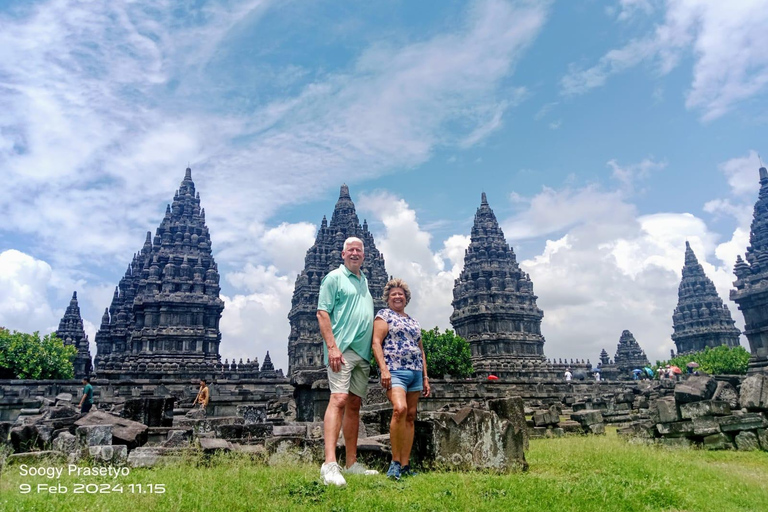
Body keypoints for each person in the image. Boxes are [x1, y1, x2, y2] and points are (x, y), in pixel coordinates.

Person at [317, 237, 378, 487]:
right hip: (341, 350)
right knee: (339, 399)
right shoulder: (333, 278)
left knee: (354, 405)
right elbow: (322, 312)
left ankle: (352, 464)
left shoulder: (365, 282)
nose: (355, 253)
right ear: (343, 254)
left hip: (362, 354)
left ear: (364, 255)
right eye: (351, 250)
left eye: (359, 251)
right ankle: (330, 464)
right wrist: (332, 347)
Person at [372, 278, 431, 481]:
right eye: (393, 294)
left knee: (411, 416)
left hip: (415, 372)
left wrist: (425, 377)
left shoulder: (413, 322)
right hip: (395, 371)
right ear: (387, 298)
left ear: (406, 298)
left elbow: (421, 351)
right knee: (400, 409)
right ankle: (394, 463)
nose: (397, 296)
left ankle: (406, 464)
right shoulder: (383, 316)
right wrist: (384, 369)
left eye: (401, 294)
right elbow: (376, 343)